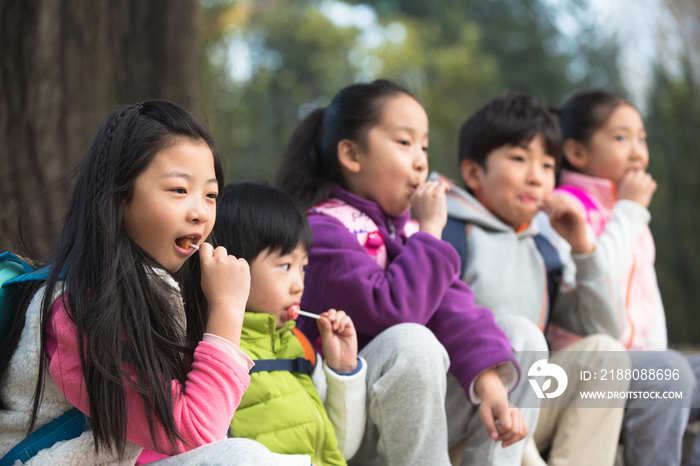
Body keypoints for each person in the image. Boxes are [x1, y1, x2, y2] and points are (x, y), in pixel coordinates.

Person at [277, 79, 540, 466]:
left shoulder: (407, 232)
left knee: (521, 337)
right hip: (346, 425)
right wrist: (431, 233)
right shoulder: (323, 230)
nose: (420, 160)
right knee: (411, 341)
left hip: (407, 417)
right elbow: (394, 310)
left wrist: (491, 384)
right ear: (352, 155)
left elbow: (456, 309)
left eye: (425, 146)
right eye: (404, 143)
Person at [0, 101, 276, 465]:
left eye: (210, 194)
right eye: (179, 190)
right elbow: (194, 433)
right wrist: (227, 309)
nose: (200, 212)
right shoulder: (75, 309)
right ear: (120, 196)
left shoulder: (158, 290)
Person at [437, 91, 630, 466]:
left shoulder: (544, 249)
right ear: (474, 172)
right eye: (519, 158)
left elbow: (607, 327)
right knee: (515, 333)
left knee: (605, 354)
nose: (535, 176)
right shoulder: (446, 230)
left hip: (522, 416)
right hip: (458, 413)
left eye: (546, 165)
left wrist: (581, 246)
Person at [555, 90, 695, 466]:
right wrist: (630, 212)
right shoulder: (564, 209)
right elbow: (595, 287)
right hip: (587, 367)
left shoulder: (625, 212)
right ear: (577, 153)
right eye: (621, 137)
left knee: (673, 369)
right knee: (668, 374)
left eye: (641, 137)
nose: (637, 151)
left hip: (641, 363)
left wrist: (665, 358)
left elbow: (649, 304)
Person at [211, 182, 366, 466]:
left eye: (303, 267)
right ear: (234, 264)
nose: (298, 285)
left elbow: (342, 447)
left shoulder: (301, 349)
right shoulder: (216, 353)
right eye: (285, 266)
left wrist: (342, 370)